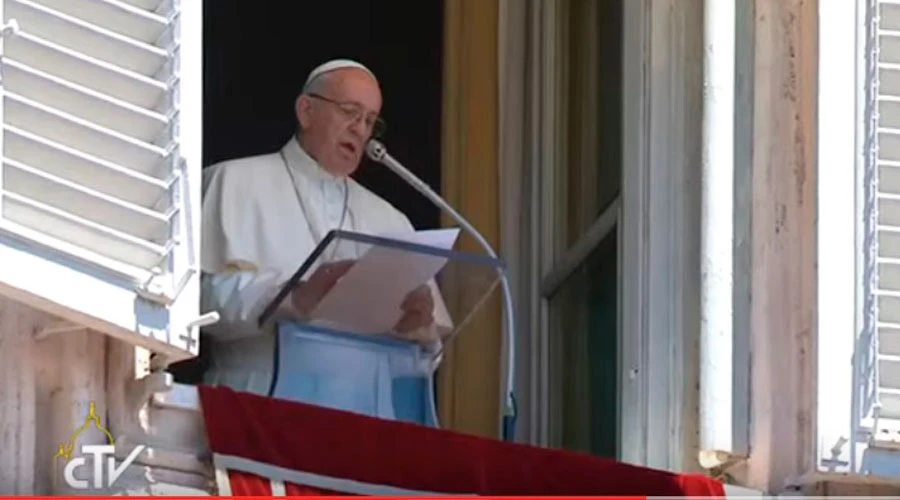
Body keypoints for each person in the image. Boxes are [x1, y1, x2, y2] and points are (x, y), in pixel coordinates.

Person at [199, 59, 451, 395]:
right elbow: (198, 303)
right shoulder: (234, 182)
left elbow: (422, 362)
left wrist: (416, 332)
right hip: (257, 402)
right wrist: (294, 297)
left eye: (370, 121)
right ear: (306, 111)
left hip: (360, 414)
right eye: (350, 111)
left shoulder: (391, 221)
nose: (360, 129)